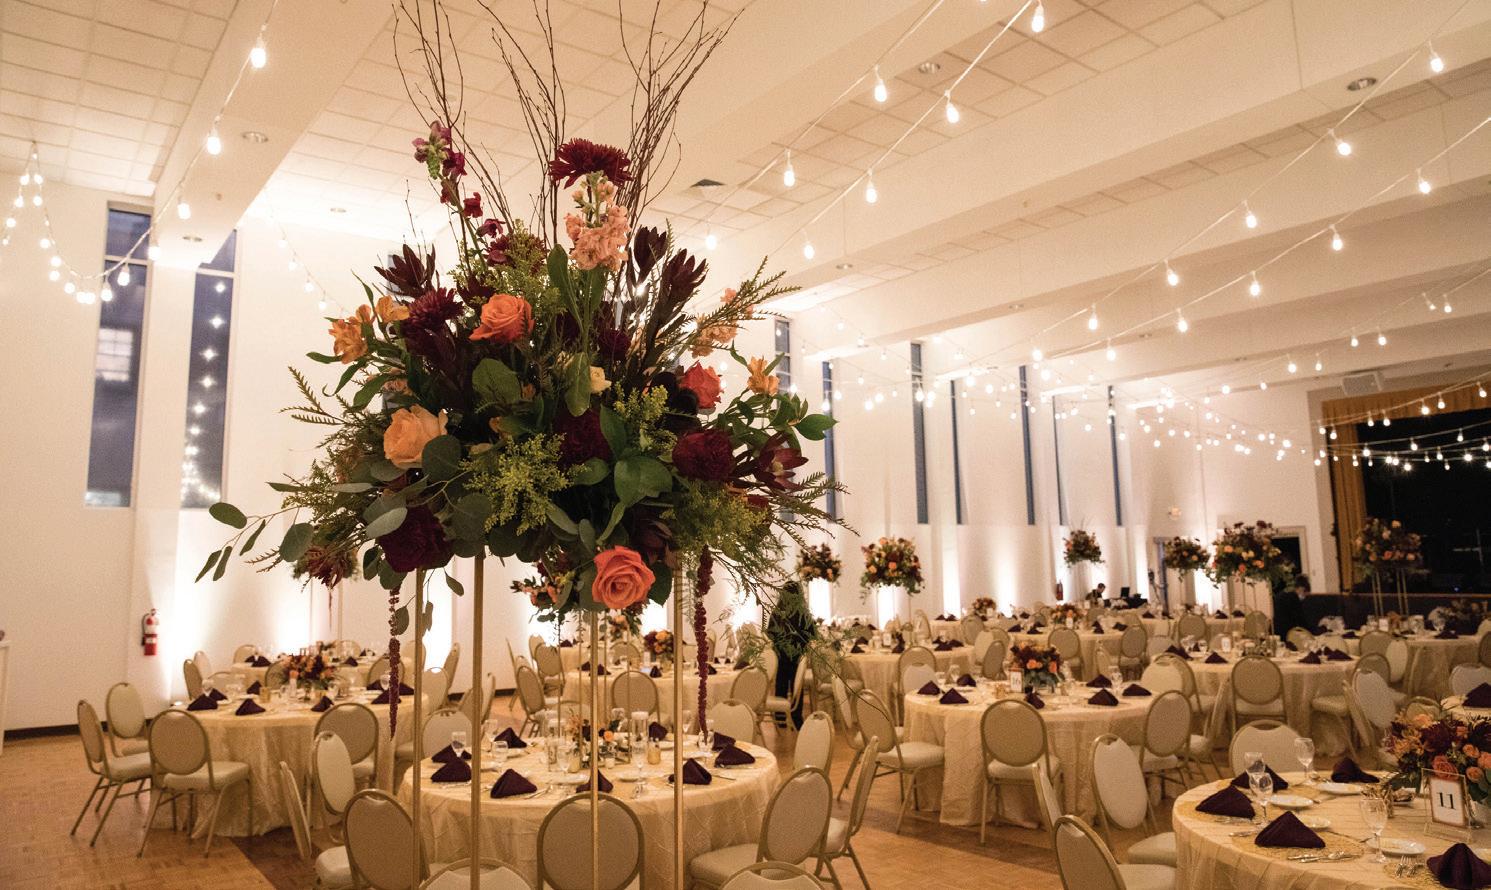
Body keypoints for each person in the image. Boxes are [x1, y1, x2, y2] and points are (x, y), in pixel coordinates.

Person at [766, 581, 816, 729]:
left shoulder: (777, 613)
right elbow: (812, 635)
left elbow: (770, 634)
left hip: (780, 656)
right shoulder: (804, 614)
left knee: (781, 685)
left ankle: (780, 717)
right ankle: (796, 716)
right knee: (797, 688)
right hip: (797, 657)